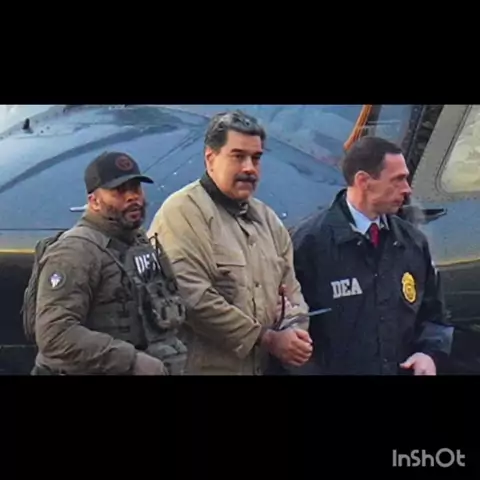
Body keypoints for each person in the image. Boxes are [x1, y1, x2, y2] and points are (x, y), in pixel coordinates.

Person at [147, 110, 313, 375]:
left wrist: (293, 332)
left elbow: (291, 293)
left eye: (256, 158)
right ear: (210, 158)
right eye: (238, 156)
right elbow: (191, 297)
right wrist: (266, 338)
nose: (249, 168)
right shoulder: (182, 214)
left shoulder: (268, 221)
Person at [291, 136, 454, 375]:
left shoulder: (412, 242)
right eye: (397, 180)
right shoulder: (310, 244)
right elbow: (289, 332)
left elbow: (435, 316)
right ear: (364, 181)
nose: (407, 189)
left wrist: (428, 354)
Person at [30, 151, 187, 375]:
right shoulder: (75, 251)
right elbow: (55, 334)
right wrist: (131, 360)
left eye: (136, 188)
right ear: (94, 201)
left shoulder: (138, 241)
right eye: (119, 191)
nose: (132, 197)